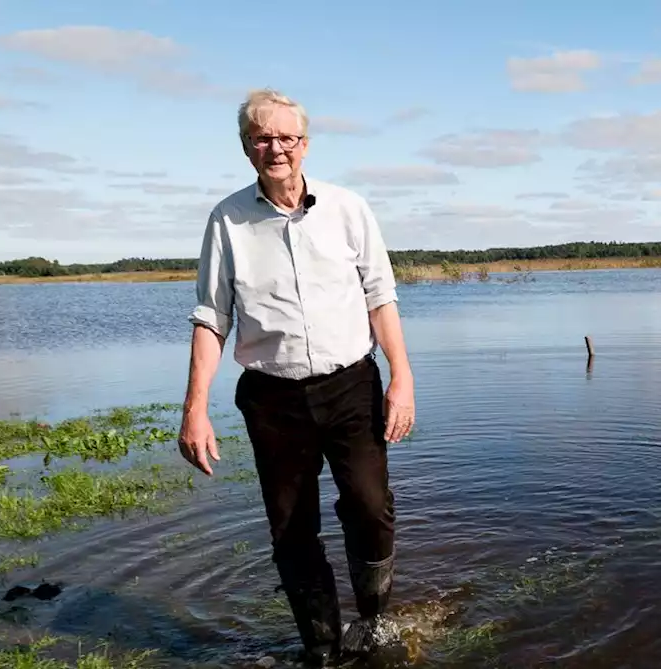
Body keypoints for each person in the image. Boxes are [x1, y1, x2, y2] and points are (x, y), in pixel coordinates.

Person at [176, 88, 416, 666]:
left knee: (369, 504)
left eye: (286, 137)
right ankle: (321, 646)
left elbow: (380, 297)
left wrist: (401, 378)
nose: (276, 147)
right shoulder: (227, 220)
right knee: (291, 527)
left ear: (305, 144)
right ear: (246, 148)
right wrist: (194, 409)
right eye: (263, 137)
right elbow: (212, 317)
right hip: (271, 399)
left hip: (350, 386)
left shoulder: (348, 209)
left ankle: (375, 622)